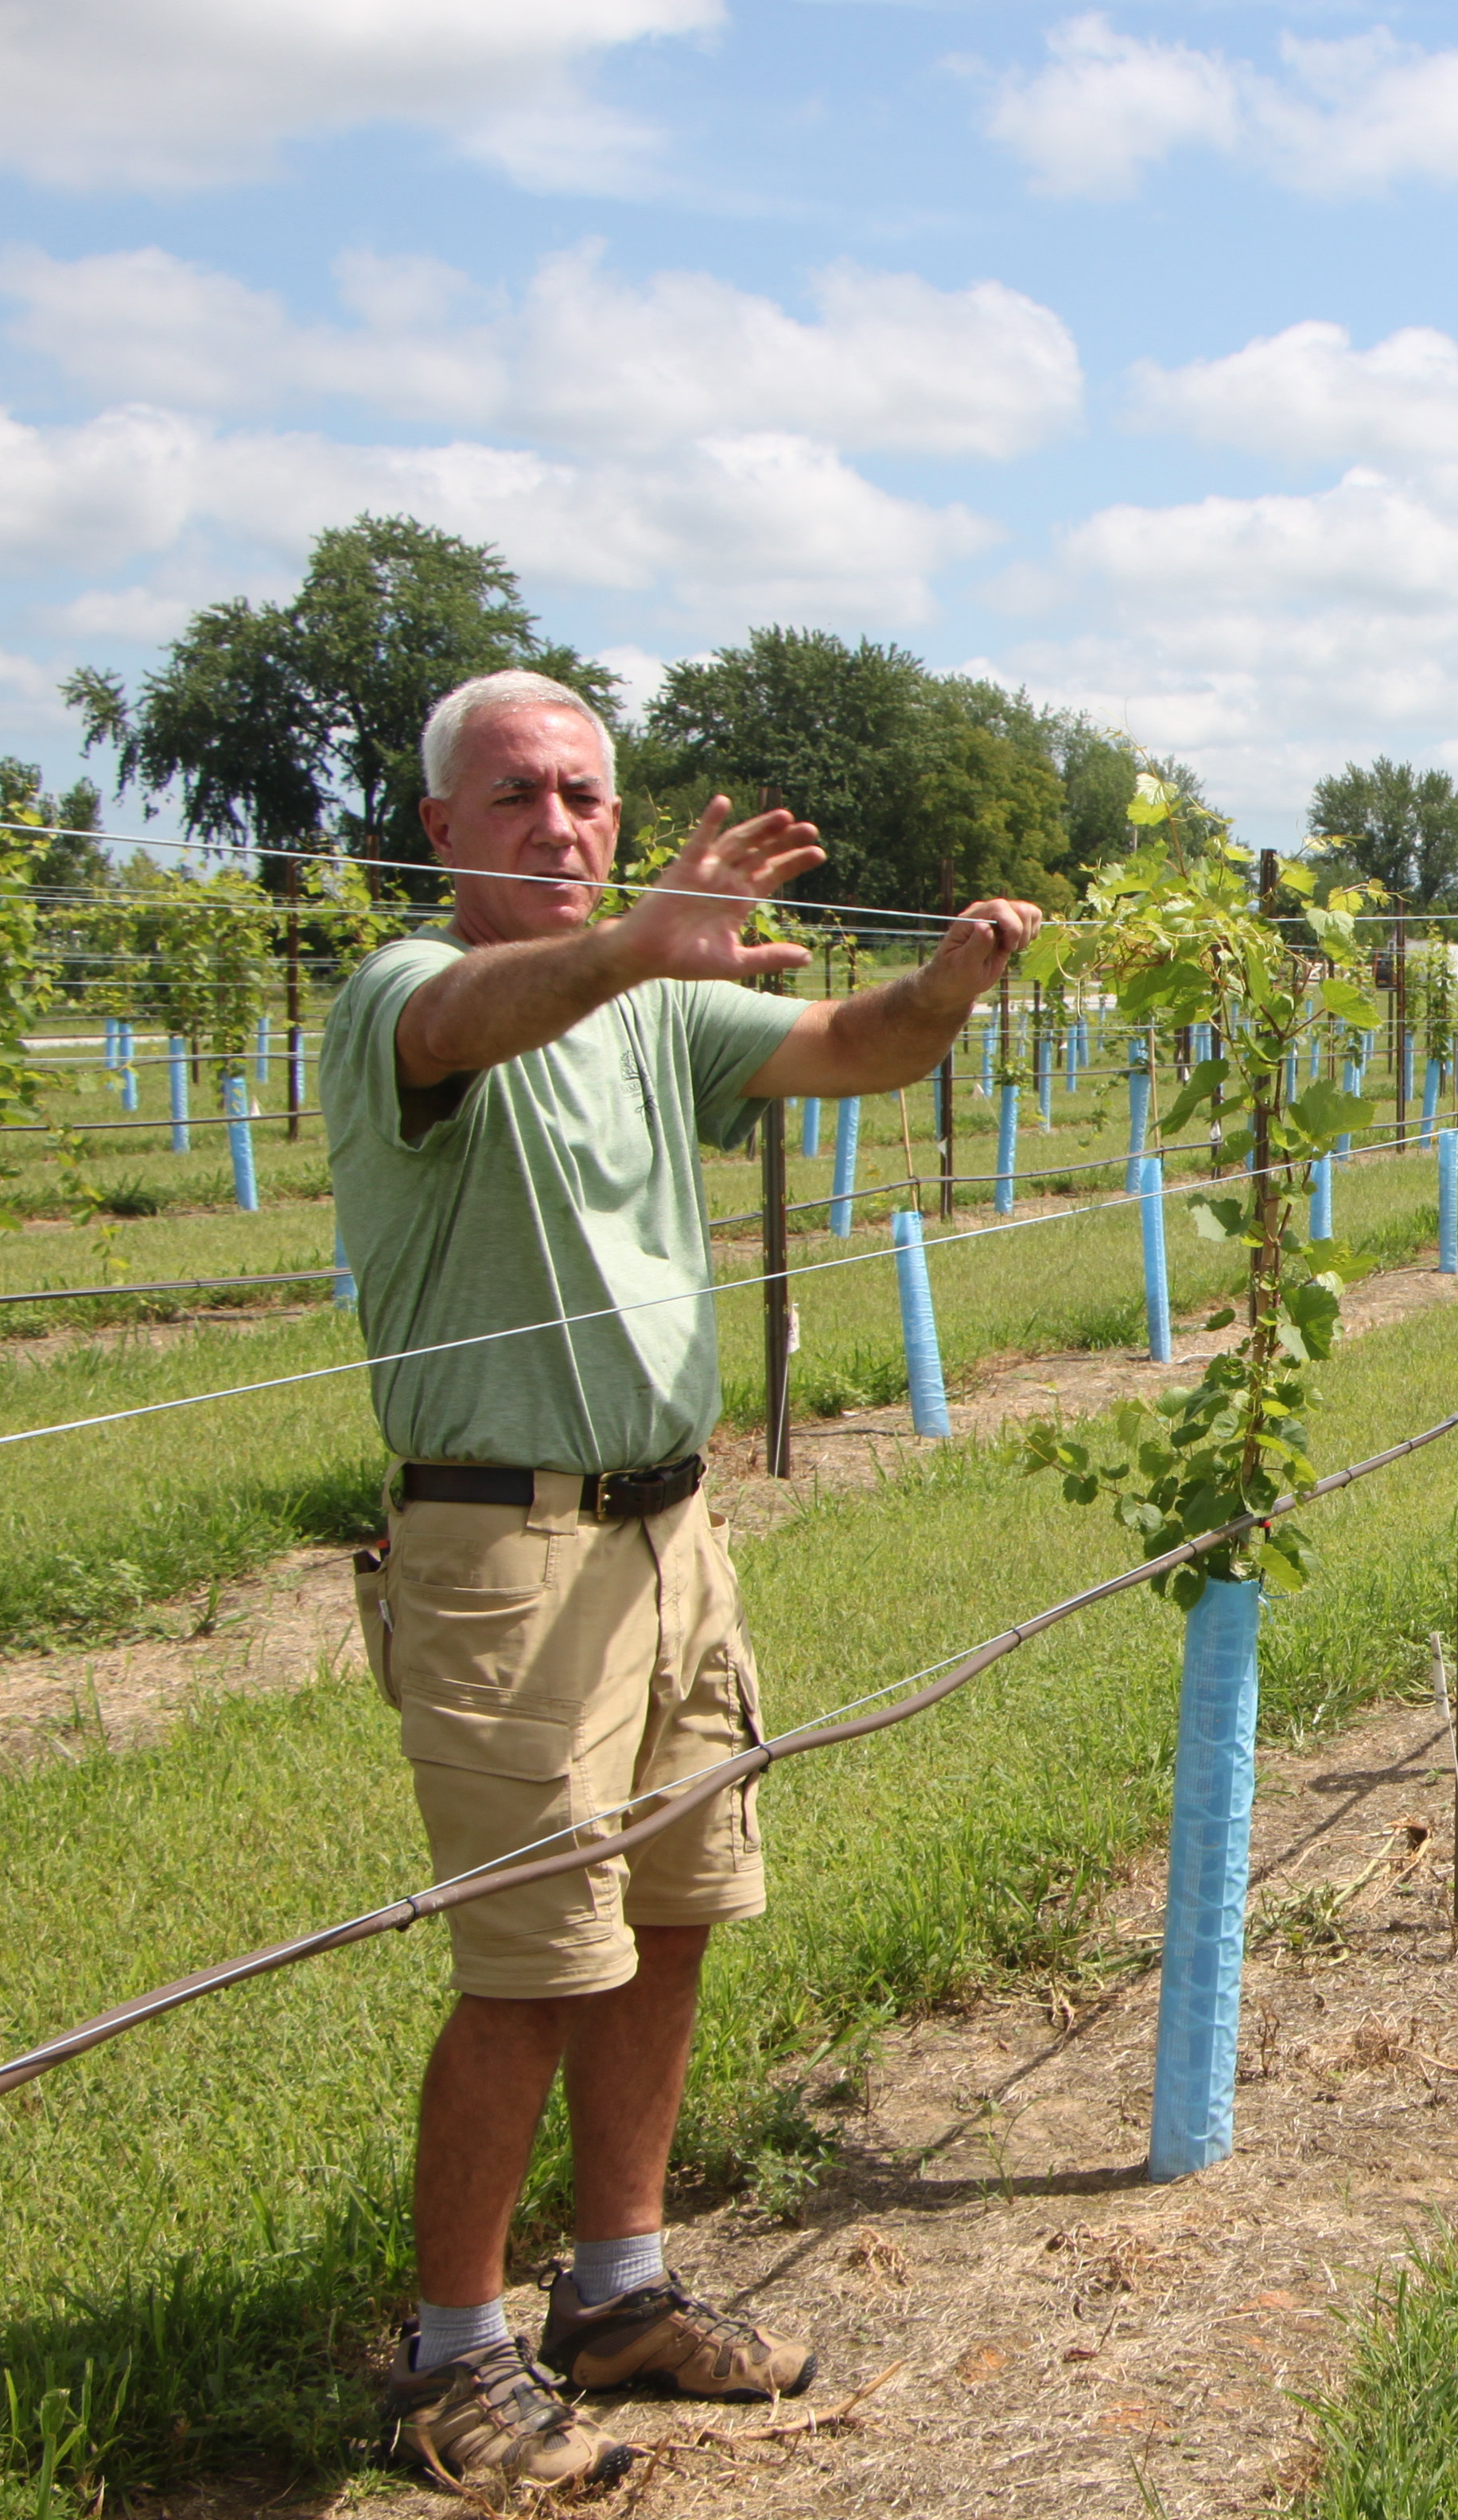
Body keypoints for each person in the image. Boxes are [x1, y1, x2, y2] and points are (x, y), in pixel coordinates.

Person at [332, 668, 1044, 2491]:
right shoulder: (407, 997)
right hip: (501, 1544)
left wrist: (948, 989)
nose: (558, 824)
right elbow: (487, 1013)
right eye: (516, 799)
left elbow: (844, 1049)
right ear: (440, 833)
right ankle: (450, 2355)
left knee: (671, 1914)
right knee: (529, 1961)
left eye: (584, 795)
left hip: (671, 1529)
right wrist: (644, 945)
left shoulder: (653, 1013)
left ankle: (619, 2292)